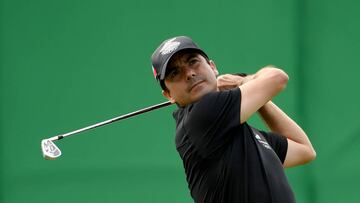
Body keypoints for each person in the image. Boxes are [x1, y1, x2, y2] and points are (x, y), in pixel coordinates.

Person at [150, 36, 316, 203]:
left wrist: (257, 98)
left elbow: (304, 150)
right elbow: (277, 78)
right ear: (168, 95)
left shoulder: (243, 134)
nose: (189, 73)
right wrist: (243, 81)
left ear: (212, 67)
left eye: (193, 61)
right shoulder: (201, 115)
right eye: (175, 72)